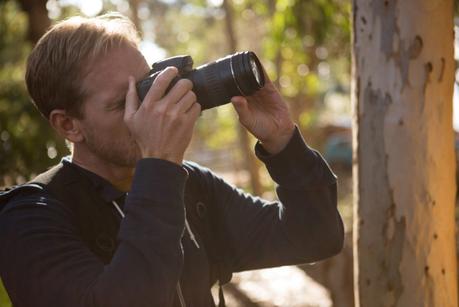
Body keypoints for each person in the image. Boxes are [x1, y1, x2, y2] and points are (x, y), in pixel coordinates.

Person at [0, 12, 344, 307]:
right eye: (124, 103)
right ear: (68, 124)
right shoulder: (30, 219)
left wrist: (283, 141)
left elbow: (315, 236)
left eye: (147, 88)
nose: (148, 111)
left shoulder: (189, 187)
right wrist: (160, 166)